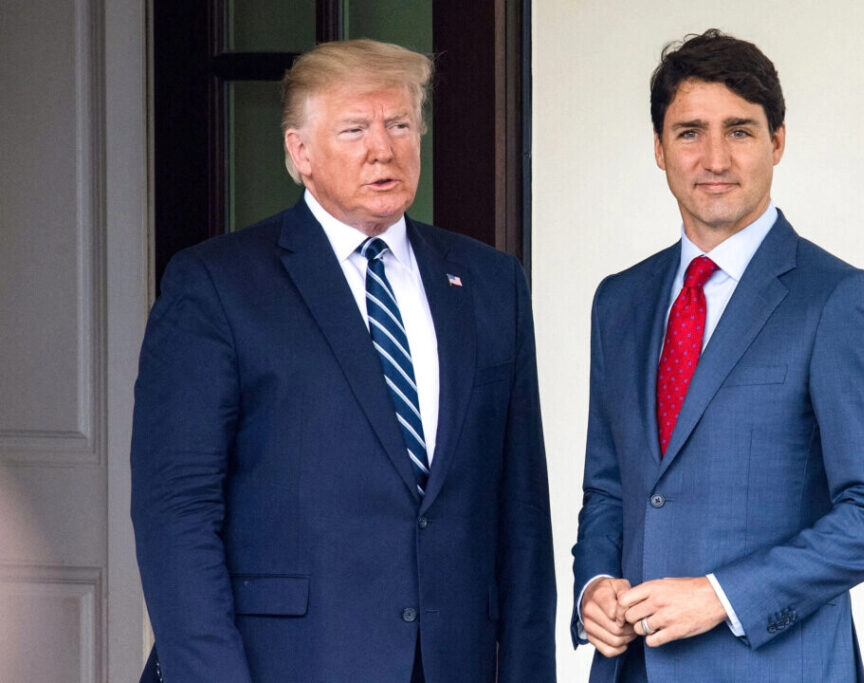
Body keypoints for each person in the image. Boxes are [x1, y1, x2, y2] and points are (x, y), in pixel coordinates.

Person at [131, 39, 555, 683]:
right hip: (286, 664)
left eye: (400, 125)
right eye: (355, 129)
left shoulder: (492, 282)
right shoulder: (216, 285)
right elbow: (177, 513)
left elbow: (522, 515)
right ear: (300, 151)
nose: (382, 149)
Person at [571, 29, 864, 682]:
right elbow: (611, 487)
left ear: (777, 142)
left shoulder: (839, 300)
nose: (715, 158)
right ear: (659, 148)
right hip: (631, 668)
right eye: (689, 132)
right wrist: (594, 585)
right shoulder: (619, 302)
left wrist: (721, 596)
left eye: (739, 131)